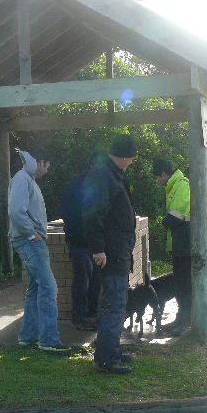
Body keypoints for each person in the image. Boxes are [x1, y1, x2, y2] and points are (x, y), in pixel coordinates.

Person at [83, 134, 138, 374]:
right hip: (112, 253)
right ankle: (106, 360)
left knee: (116, 305)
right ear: (124, 157)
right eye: (132, 158)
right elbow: (93, 214)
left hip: (118, 251)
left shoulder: (112, 175)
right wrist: (98, 249)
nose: (133, 162)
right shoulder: (105, 177)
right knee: (113, 306)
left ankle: (112, 351)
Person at [8, 148, 70, 353]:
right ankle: (49, 340)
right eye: (47, 166)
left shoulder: (26, 179)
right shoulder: (22, 179)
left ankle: (28, 336)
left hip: (31, 240)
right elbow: (16, 211)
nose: (47, 170)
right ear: (39, 162)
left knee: (35, 288)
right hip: (29, 242)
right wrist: (30, 233)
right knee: (49, 287)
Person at [153, 159, 192, 336]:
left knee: (184, 283)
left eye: (157, 177)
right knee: (180, 282)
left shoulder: (181, 185)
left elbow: (175, 217)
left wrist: (164, 221)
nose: (157, 182)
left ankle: (185, 322)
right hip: (179, 243)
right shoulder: (173, 186)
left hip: (185, 244)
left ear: (163, 174)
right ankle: (181, 319)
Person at [59, 170, 101, 331]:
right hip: (79, 242)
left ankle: (91, 314)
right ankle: (79, 317)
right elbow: (66, 212)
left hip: (92, 243)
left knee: (94, 278)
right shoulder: (80, 184)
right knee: (83, 278)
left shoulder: (96, 183)